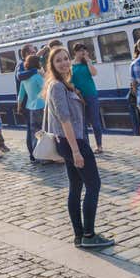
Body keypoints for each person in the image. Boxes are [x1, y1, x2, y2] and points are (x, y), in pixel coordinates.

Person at [44, 46, 114, 249]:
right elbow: (65, 119)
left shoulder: (63, 85)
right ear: (52, 65)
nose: (64, 63)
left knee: (76, 188)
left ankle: (79, 235)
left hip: (68, 141)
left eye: (66, 59)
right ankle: (89, 235)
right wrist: (76, 151)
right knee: (94, 185)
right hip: (73, 141)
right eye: (59, 60)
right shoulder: (57, 86)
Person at [71, 43, 103, 154]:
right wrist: (74, 90)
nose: (82, 53)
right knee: (82, 122)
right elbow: (69, 81)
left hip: (91, 95)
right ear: (75, 52)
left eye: (84, 50)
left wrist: (88, 60)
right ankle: (86, 146)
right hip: (78, 97)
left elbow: (94, 73)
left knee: (95, 121)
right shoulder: (71, 65)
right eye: (80, 51)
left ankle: (99, 146)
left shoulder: (87, 63)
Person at [17, 54, 45, 163]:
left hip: (30, 107)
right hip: (41, 106)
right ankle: (46, 156)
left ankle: (36, 156)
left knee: (35, 133)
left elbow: (21, 95)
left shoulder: (25, 79)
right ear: (37, 63)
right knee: (45, 132)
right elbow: (45, 89)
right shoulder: (37, 77)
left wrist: (19, 107)